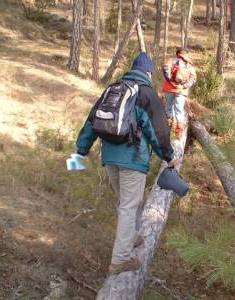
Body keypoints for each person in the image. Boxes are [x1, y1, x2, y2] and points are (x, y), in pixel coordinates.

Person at [75, 52, 178, 274]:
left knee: (125, 203)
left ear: (133, 68)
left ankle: (130, 238)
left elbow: (92, 121)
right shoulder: (146, 93)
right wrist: (168, 156)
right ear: (149, 72)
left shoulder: (113, 88)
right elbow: (157, 131)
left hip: (109, 157)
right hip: (132, 159)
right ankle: (120, 259)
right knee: (129, 206)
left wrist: (81, 151)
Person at [161, 47, 196, 138]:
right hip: (181, 90)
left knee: (168, 108)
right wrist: (183, 86)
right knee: (179, 110)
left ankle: (169, 129)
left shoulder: (171, 60)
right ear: (185, 54)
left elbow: (165, 71)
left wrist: (170, 81)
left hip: (169, 88)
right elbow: (193, 78)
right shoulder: (189, 64)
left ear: (177, 53)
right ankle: (179, 132)